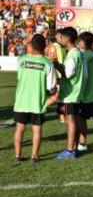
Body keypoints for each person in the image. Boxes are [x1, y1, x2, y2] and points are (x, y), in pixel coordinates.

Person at [13, 34, 58, 162]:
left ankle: (17, 155)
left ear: (31, 45)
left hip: (21, 101)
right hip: (37, 102)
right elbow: (51, 87)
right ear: (44, 47)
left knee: (19, 128)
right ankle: (34, 156)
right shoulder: (47, 64)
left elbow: (19, 77)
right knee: (36, 129)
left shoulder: (21, 60)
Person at [53, 27, 84, 160]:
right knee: (74, 120)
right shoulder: (79, 53)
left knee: (70, 120)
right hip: (76, 93)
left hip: (70, 94)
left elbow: (68, 74)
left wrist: (56, 64)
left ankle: (70, 150)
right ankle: (74, 148)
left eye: (61, 37)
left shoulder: (72, 54)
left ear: (67, 38)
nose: (60, 39)